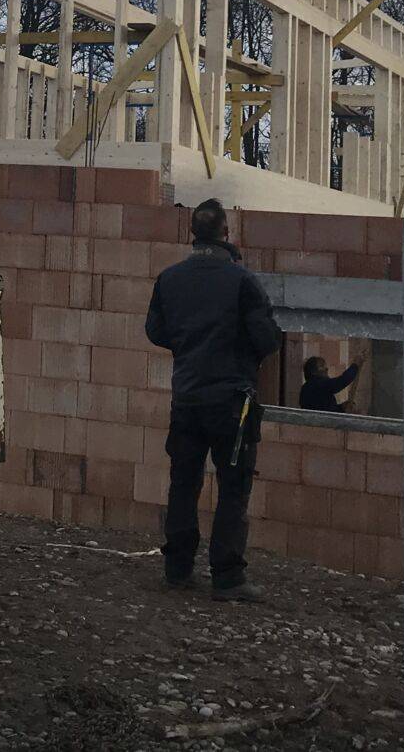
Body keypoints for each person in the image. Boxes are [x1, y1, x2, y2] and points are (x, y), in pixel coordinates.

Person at [144, 198, 282, 603]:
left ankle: (177, 569)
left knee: (183, 483)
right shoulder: (241, 281)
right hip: (231, 403)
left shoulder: (169, 279)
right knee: (233, 487)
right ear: (226, 233)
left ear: (193, 235)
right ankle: (227, 576)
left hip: (186, 398)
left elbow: (155, 330)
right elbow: (268, 339)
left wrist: (190, 345)